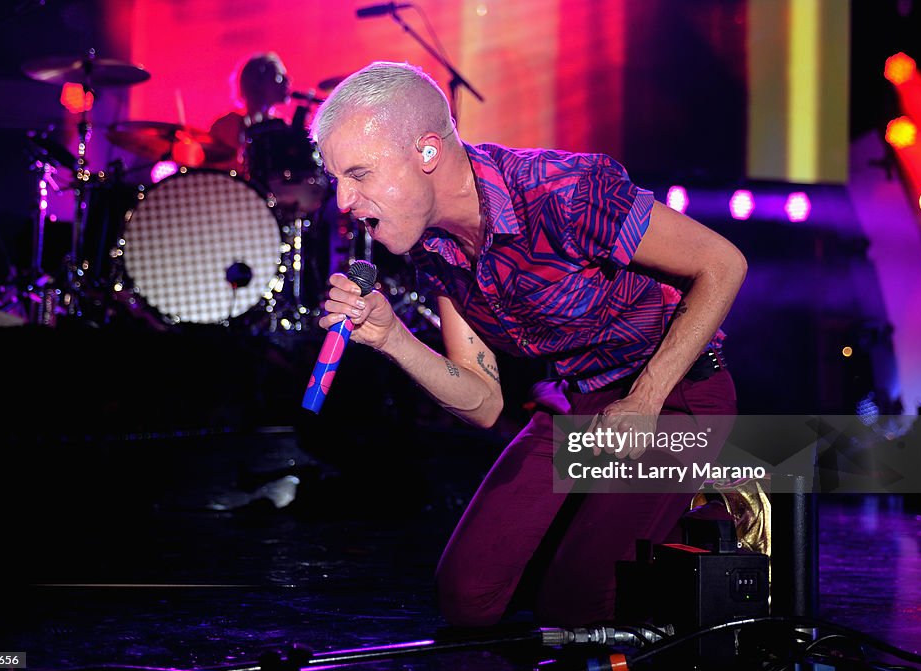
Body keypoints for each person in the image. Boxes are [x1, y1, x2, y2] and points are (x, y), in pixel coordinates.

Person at [310, 61, 748, 628]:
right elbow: (485, 401)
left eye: (360, 174)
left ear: (426, 153)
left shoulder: (562, 193)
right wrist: (393, 337)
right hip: (576, 406)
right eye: (337, 180)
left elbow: (722, 263)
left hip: (672, 400)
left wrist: (645, 400)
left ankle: (697, 518)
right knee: (467, 597)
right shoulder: (434, 250)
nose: (343, 201)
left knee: (578, 602)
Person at [209, 52, 299, 167]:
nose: (288, 81)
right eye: (279, 77)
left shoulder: (282, 125)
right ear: (257, 83)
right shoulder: (226, 125)